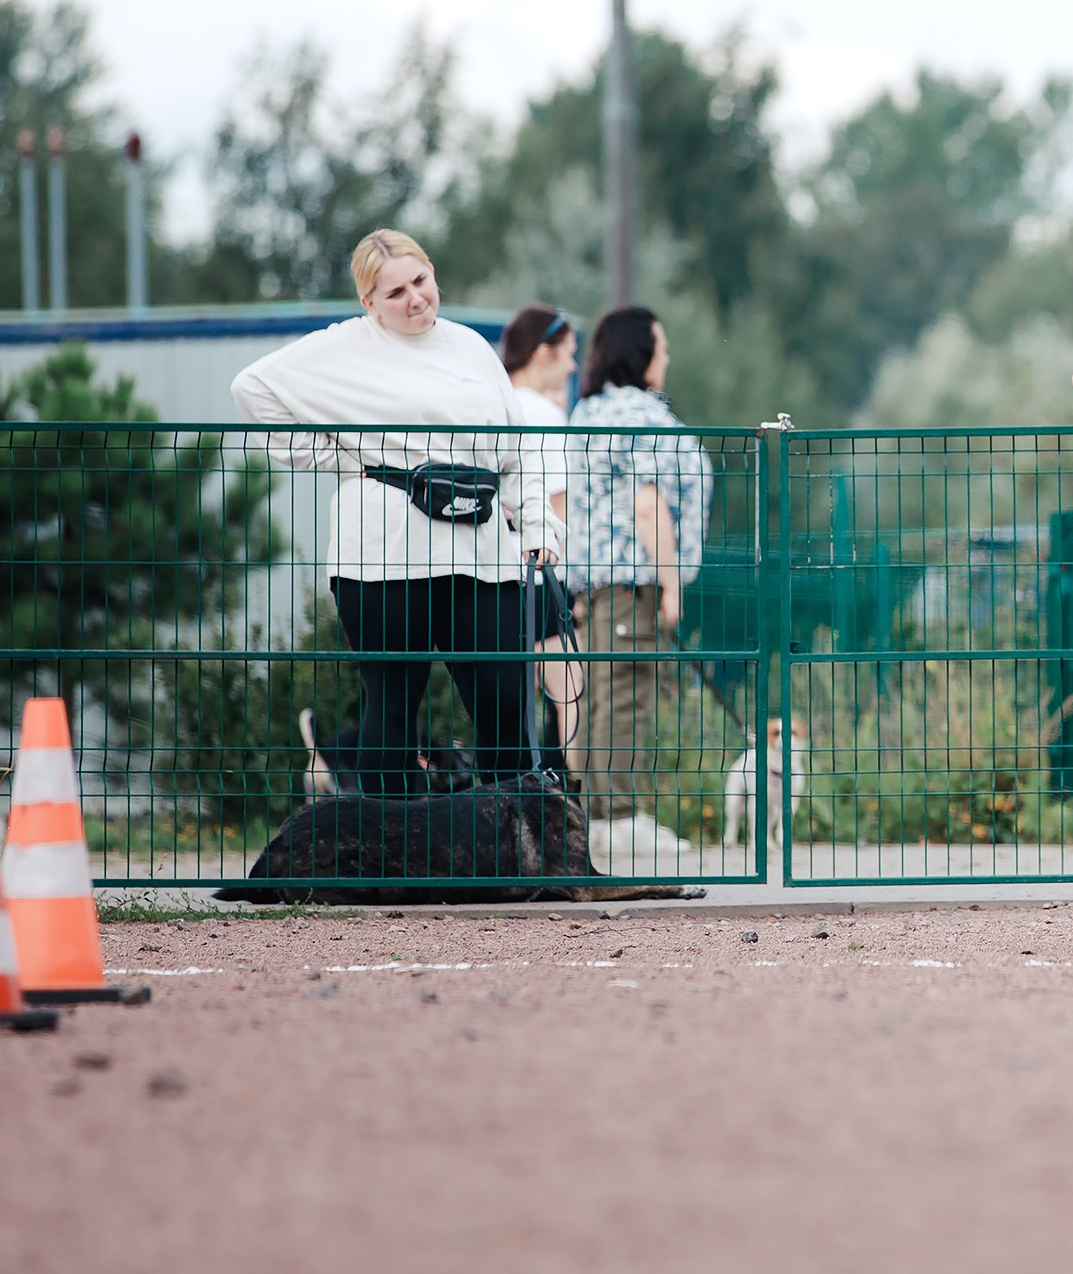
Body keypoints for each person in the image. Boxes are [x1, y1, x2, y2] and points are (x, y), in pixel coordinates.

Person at [231, 229, 562, 793]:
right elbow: (251, 388)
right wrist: (333, 456)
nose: (414, 299)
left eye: (420, 281)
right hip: (384, 558)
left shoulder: (472, 349)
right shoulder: (341, 348)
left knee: (506, 702)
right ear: (368, 303)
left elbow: (517, 448)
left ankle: (515, 852)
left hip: (483, 552)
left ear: (433, 274)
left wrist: (537, 526)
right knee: (393, 708)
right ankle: (392, 859)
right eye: (394, 293)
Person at [568, 306, 714, 872]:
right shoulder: (640, 413)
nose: (668, 357)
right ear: (639, 352)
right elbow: (648, 504)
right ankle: (621, 820)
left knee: (603, 696)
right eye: (662, 345)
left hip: (600, 582)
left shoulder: (589, 412)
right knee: (627, 694)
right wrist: (672, 584)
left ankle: (602, 819)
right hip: (635, 579)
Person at [501, 304, 583, 730]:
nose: (573, 366)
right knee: (570, 696)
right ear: (543, 352)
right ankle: (564, 792)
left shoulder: (495, 405)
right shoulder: (546, 415)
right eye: (569, 353)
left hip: (495, 576)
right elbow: (558, 506)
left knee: (510, 706)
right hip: (544, 576)